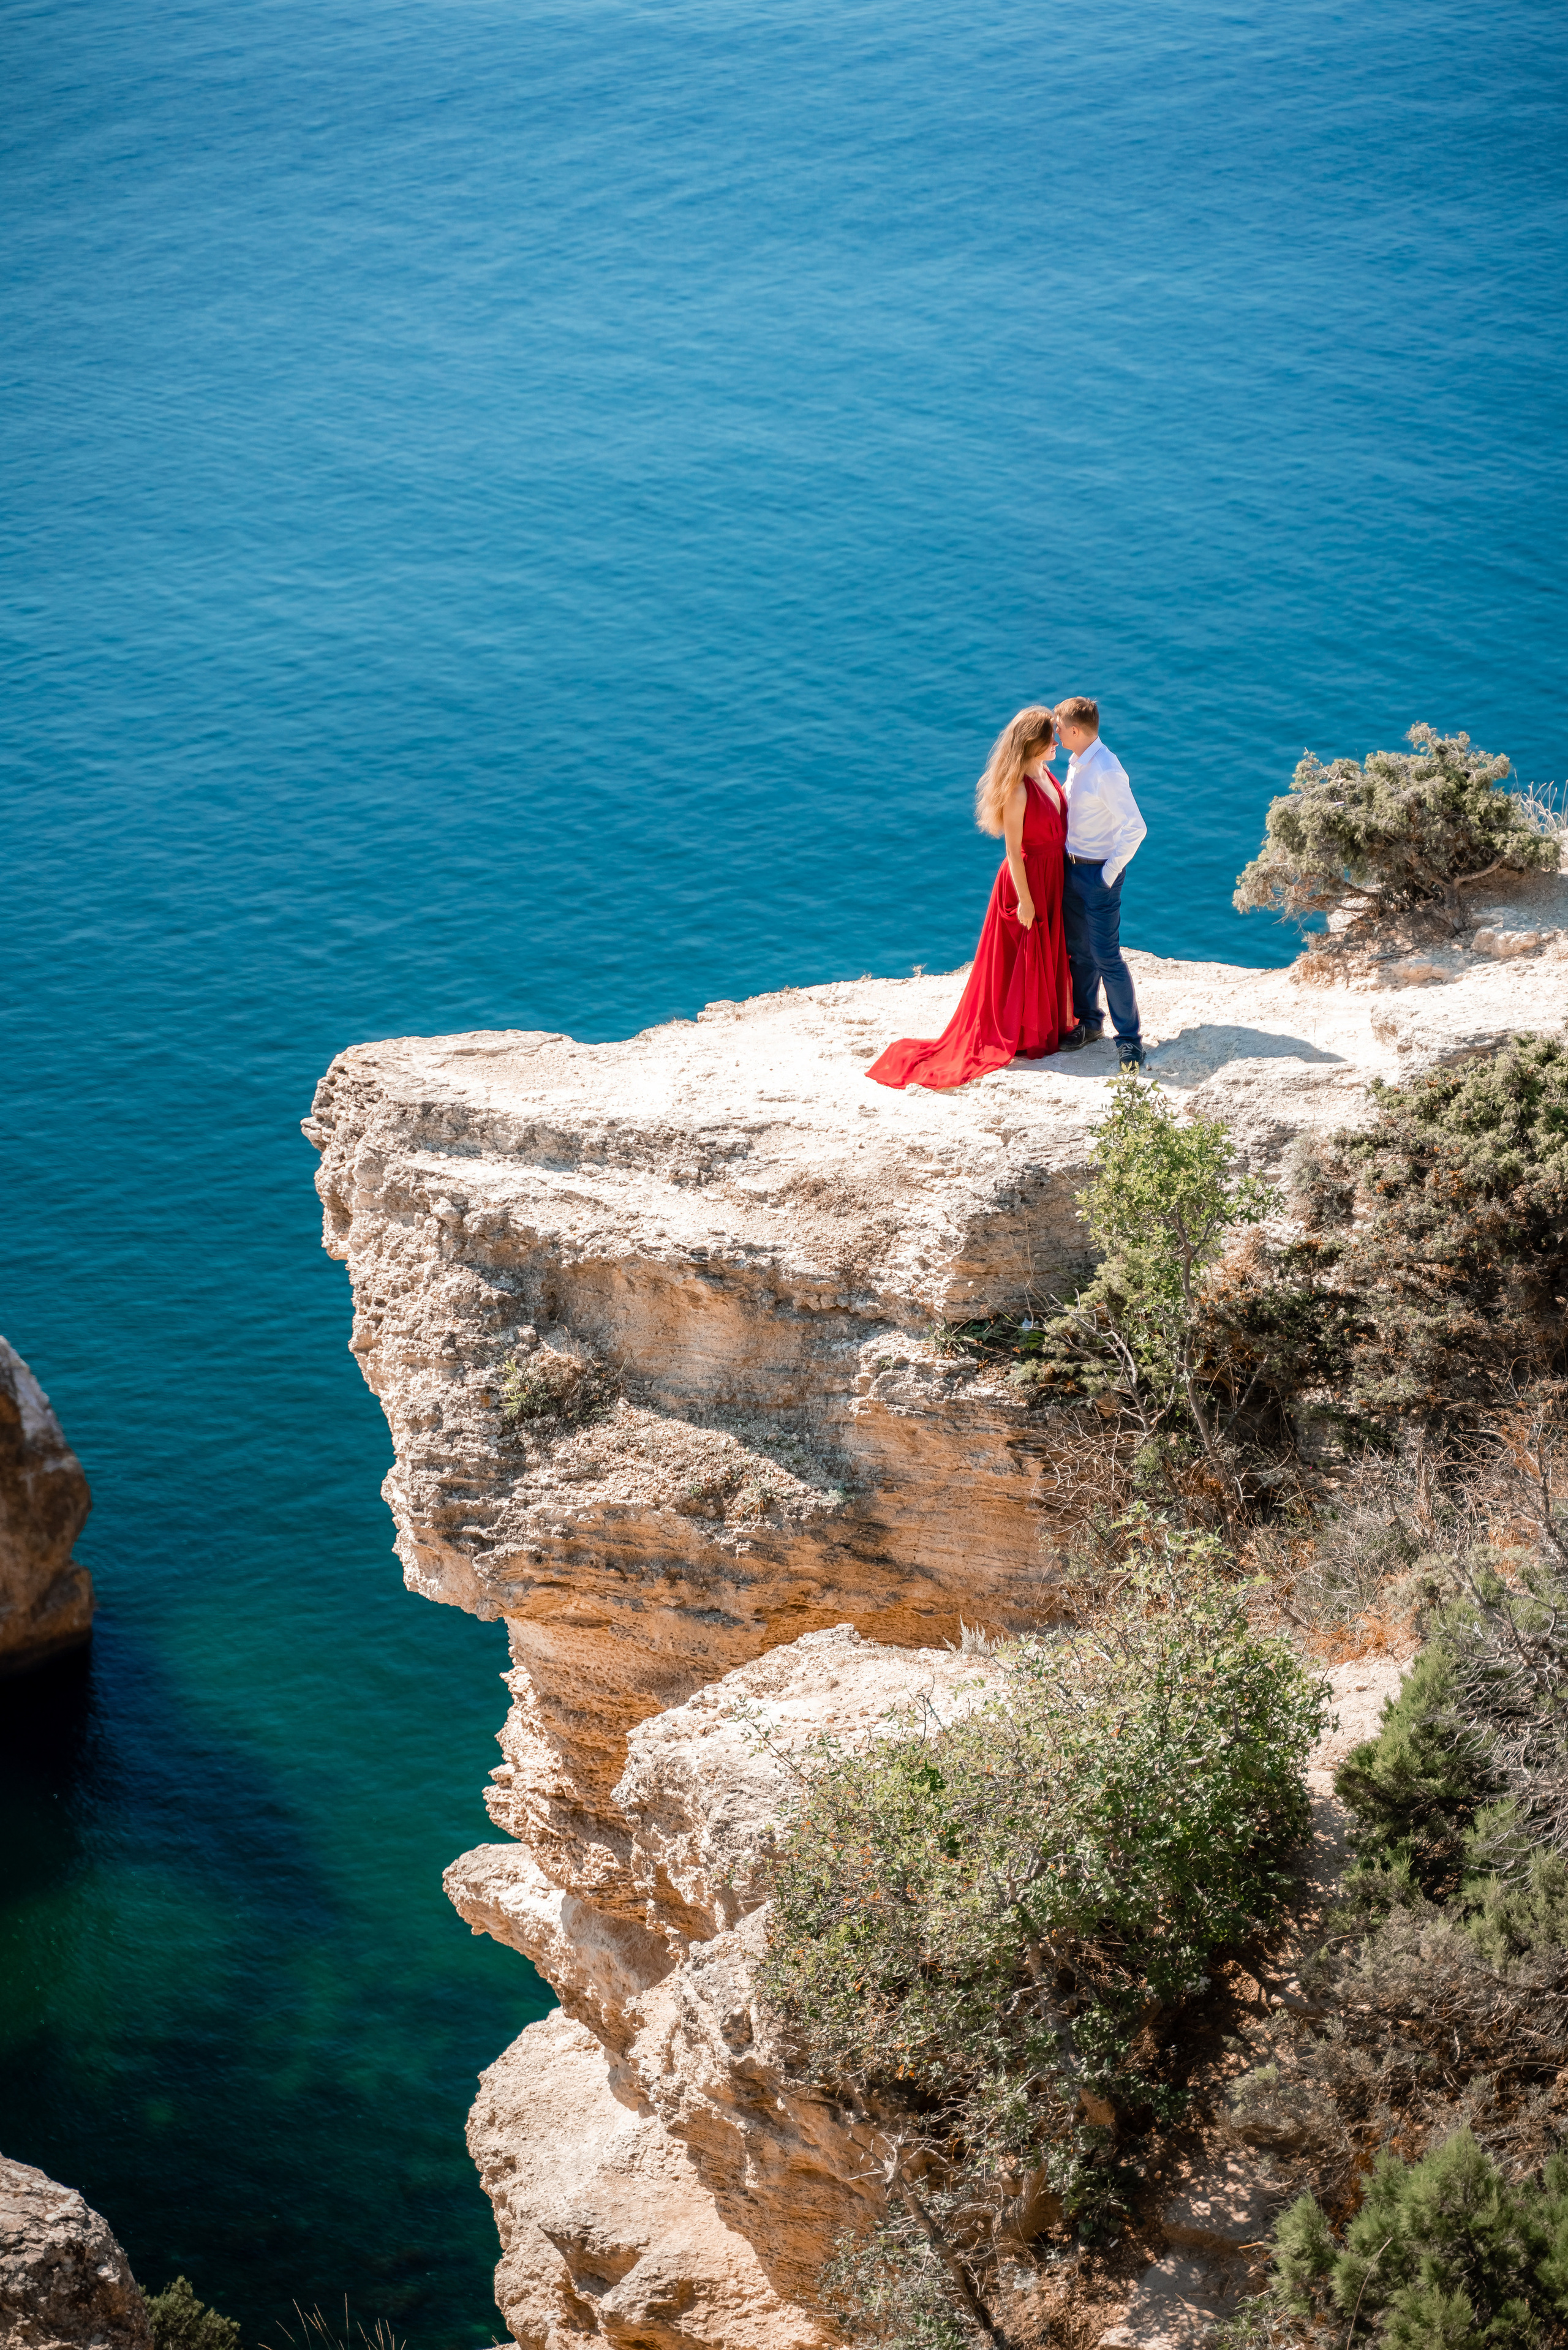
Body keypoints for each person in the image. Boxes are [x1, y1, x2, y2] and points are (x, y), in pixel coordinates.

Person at [866, 706, 1074, 1090]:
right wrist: (1026, 901)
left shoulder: (1045, 773)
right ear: (1033, 744)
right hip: (1026, 880)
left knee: (1042, 954)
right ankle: (1026, 1035)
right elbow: (1014, 852)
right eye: (1051, 738)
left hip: (1052, 876)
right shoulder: (1017, 791)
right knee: (1022, 960)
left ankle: (1040, 1027)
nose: (1057, 743)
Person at [1054, 696, 1147, 1068]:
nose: (1055, 733)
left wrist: (1107, 875)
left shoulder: (1106, 769)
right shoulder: (1078, 762)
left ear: (1075, 730)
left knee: (1107, 957)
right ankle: (1089, 1024)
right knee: (1079, 952)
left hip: (1097, 875)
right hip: (1072, 869)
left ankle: (1130, 1040)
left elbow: (1136, 827)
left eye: (1059, 727)